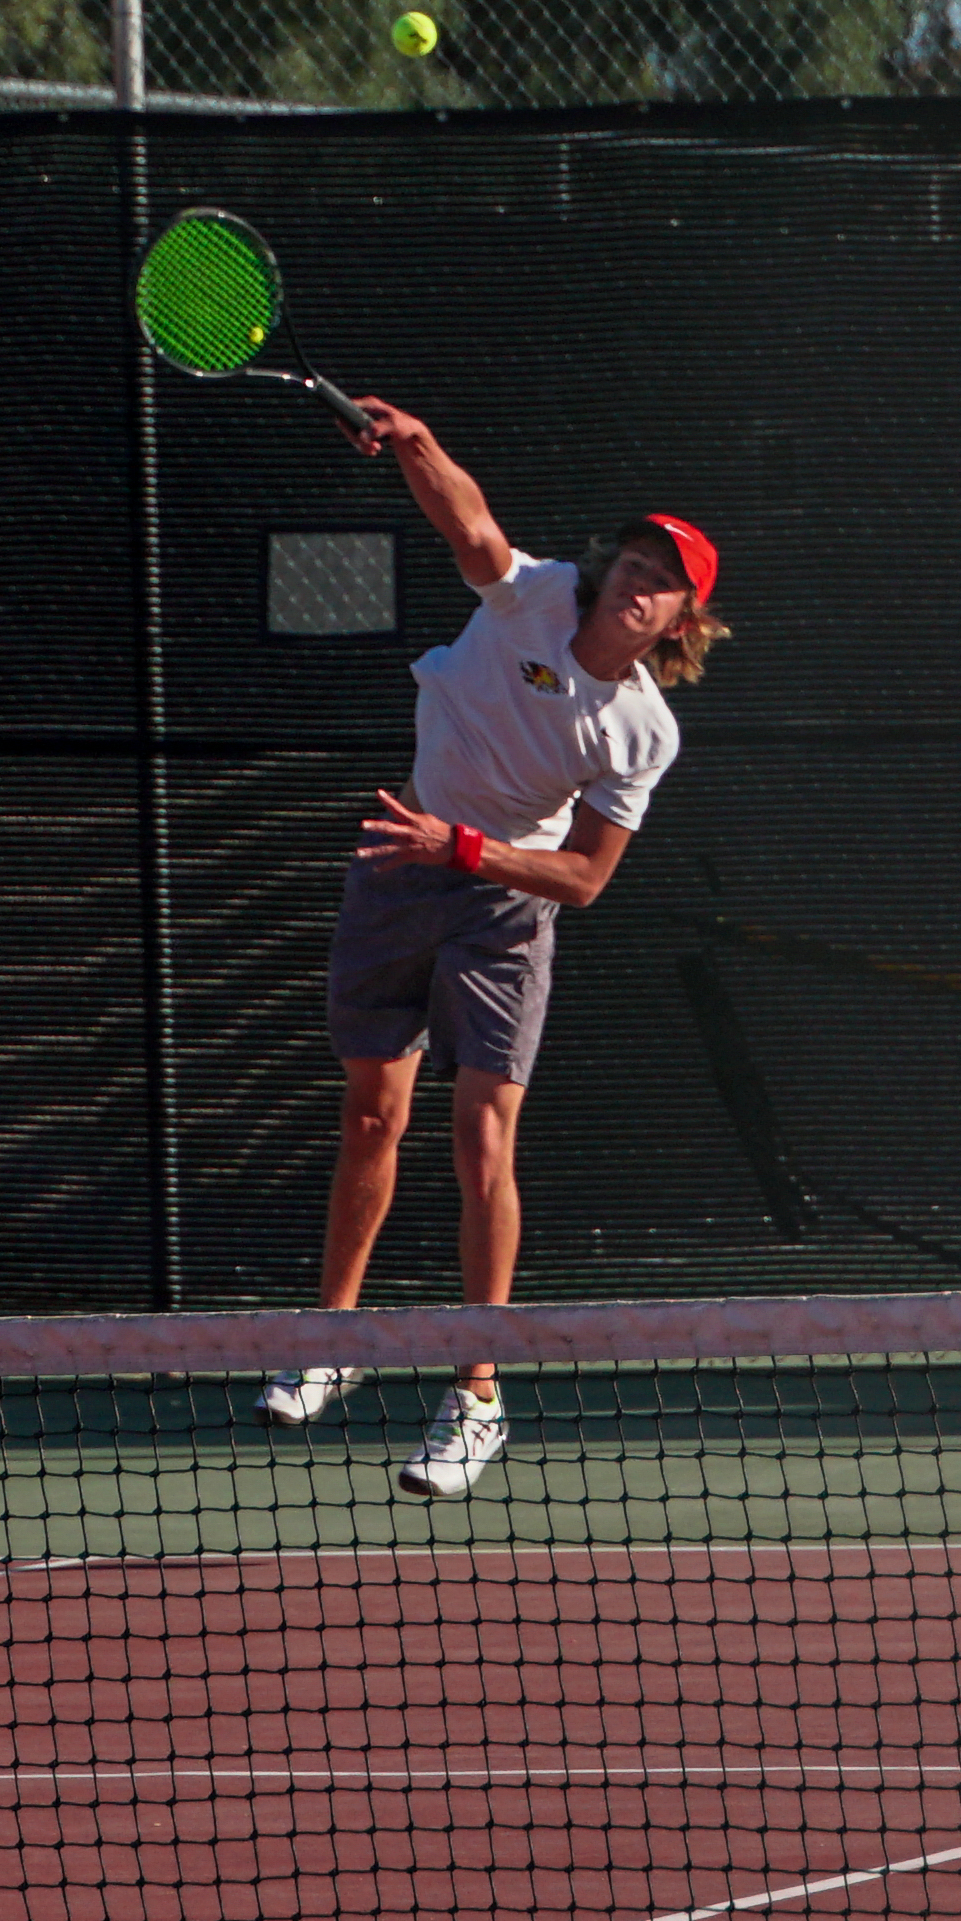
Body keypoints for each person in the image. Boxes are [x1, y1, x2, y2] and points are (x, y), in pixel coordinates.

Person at [253, 395, 726, 1499]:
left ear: (678, 622)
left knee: (481, 1135)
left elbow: (587, 879)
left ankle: (475, 1399)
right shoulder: (541, 593)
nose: (639, 578)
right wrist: (415, 441)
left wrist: (462, 847)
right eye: (637, 556)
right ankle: (333, 1341)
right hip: (397, 861)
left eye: (666, 578)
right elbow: (471, 529)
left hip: (501, 901)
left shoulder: (643, 729)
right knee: (370, 1112)